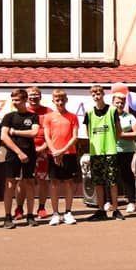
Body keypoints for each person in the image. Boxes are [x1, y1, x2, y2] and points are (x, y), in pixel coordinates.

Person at [0, 88, 40, 229]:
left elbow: (34, 132)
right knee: (10, 184)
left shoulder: (33, 116)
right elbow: (4, 136)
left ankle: (30, 215)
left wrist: (15, 132)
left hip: (30, 154)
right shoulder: (8, 117)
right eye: (13, 100)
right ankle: (7, 216)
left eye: (17, 100)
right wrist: (19, 152)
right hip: (13, 154)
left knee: (29, 183)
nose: (14, 102)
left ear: (24, 100)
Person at [84, 85, 123, 221]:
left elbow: (119, 131)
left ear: (103, 94)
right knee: (98, 182)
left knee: (112, 182)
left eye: (98, 93)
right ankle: (101, 210)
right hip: (96, 152)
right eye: (94, 94)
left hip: (110, 151)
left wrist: (111, 141)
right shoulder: (89, 112)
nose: (96, 96)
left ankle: (115, 209)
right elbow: (88, 132)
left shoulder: (112, 110)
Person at [43, 89, 80, 226]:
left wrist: (62, 151)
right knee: (54, 183)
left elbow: (75, 137)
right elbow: (47, 136)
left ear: (66, 100)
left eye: (62, 100)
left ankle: (68, 212)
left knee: (69, 182)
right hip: (53, 154)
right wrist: (54, 152)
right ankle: (55, 214)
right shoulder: (48, 117)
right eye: (57, 100)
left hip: (69, 154)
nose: (60, 103)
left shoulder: (73, 117)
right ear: (53, 101)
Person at [25, 87, 53, 219]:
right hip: (26, 151)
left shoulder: (49, 112)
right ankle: (20, 208)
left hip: (44, 151)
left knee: (43, 181)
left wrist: (43, 147)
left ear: (40, 97)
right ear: (27, 97)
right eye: (31, 95)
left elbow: (53, 133)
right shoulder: (22, 112)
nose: (33, 97)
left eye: (36, 95)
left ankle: (41, 207)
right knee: (24, 181)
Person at [112, 91, 136, 214]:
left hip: (127, 151)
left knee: (127, 177)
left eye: (122, 103)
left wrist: (121, 135)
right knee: (111, 177)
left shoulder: (130, 117)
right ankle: (110, 202)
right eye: (117, 102)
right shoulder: (109, 116)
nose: (119, 105)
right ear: (113, 103)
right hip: (111, 150)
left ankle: (131, 202)